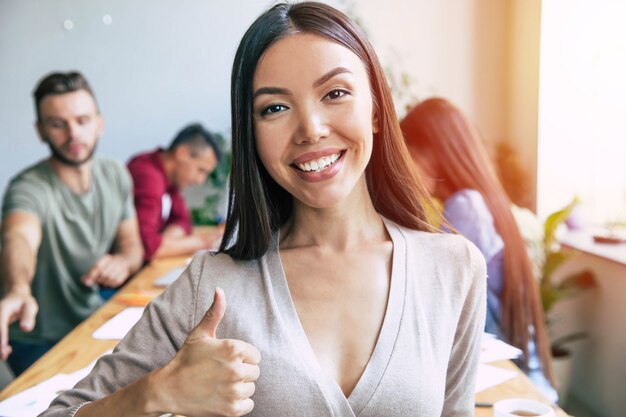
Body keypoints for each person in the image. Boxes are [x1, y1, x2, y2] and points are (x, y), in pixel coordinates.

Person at [41, 3, 486, 416]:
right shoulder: (212, 286)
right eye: (274, 108)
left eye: (334, 93)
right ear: (251, 134)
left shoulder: (454, 268)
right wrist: (155, 392)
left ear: (375, 108)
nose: (310, 130)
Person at [400, 97, 557, 401]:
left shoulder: (465, 206)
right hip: (522, 376)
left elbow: (435, 298)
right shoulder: (484, 199)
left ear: (432, 153)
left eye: (407, 158)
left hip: (509, 384)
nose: (404, 172)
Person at [0, 71, 144, 376]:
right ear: (40, 131)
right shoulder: (27, 188)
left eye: (82, 120)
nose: (73, 134)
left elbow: (132, 246)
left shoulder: (116, 173)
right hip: (36, 341)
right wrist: (18, 289)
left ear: (99, 123)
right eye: (57, 124)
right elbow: (20, 237)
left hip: (93, 322)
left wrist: (123, 261)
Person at [127, 123, 224, 262]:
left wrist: (164, 242)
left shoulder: (169, 179)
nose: (200, 180)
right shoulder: (149, 177)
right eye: (200, 170)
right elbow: (147, 247)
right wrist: (204, 242)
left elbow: (183, 220)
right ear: (182, 153)